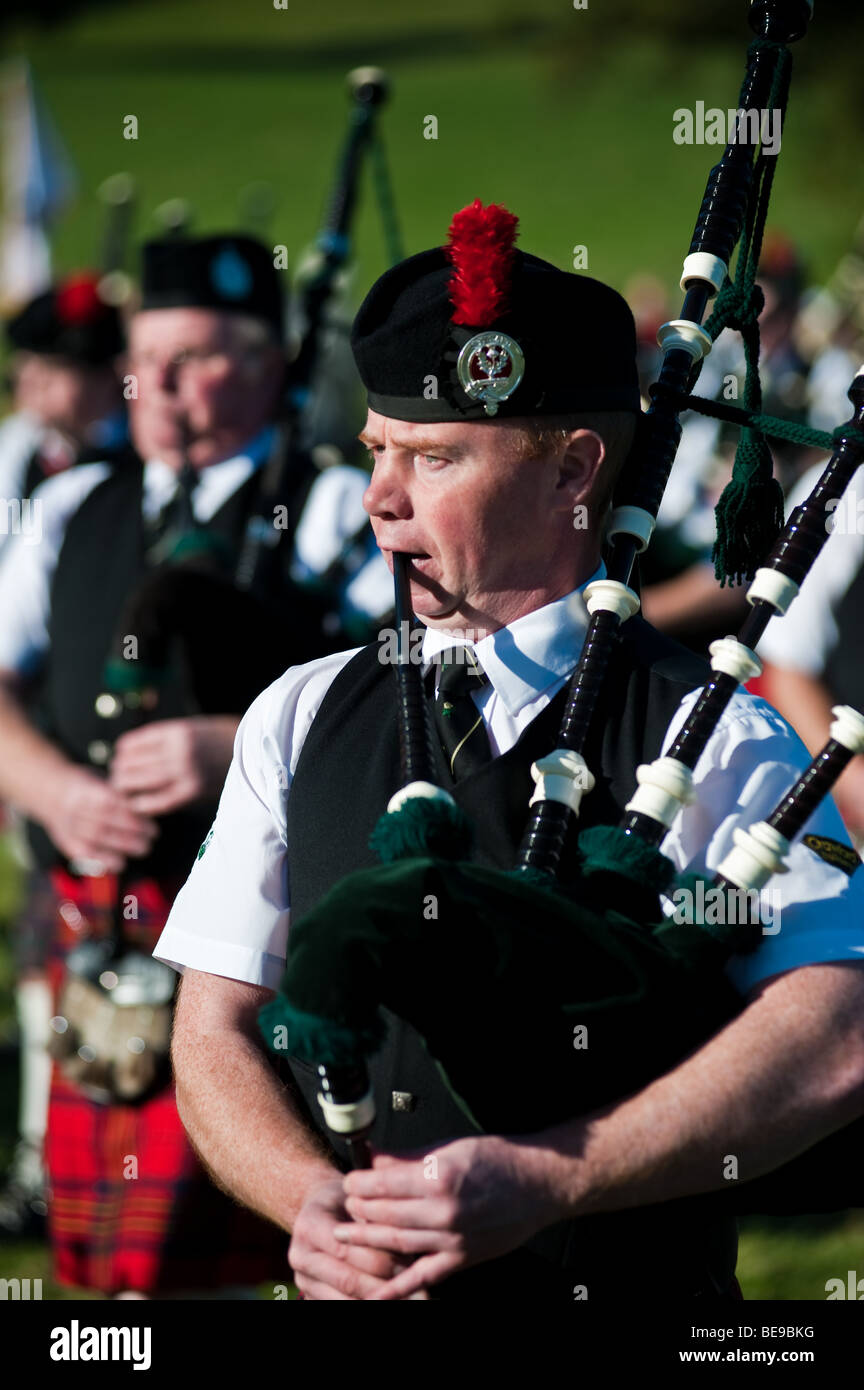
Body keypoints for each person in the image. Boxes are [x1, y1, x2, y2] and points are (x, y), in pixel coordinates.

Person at [158, 202, 864, 1301]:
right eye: (378, 451)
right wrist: (308, 1202)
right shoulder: (296, 715)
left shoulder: (723, 734)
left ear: (573, 473)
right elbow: (213, 1023)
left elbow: (838, 1028)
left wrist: (554, 1177)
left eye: (435, 458)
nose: (382, 501)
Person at [0, 231, 390, 1294]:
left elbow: (404, 692)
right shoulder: (75, 508)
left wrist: (235, 746)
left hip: (249, 922)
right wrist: (54, 787)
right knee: (107, 1269)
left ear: (268, 365)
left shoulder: (332, 511)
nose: (161, 383)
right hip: (98, 914)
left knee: (221, 1252)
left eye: (201, 356)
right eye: (147, 355)